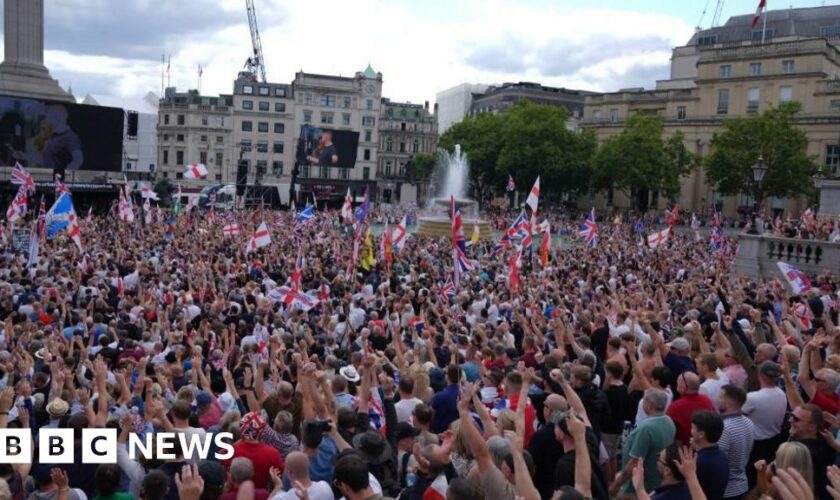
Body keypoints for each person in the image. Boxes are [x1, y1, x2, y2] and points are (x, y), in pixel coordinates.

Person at [611, 388, 676, 496]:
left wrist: (616, 485)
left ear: (649, 405)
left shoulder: (646, 429)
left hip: (640, 487)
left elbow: (634, 463)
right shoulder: (669, 421)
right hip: (658, 482)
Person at [744, 360, 787, 490]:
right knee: (767, 476)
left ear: (760, 375)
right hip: (775, 441)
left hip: (756, 445)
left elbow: (734, 412)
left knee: (754, 479)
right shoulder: (781, 393)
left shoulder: (753, 397)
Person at [788, 403, 834, 500]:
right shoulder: (824, 441)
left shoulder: (799, 452)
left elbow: (769, 474)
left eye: (796, 419)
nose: (790, 420)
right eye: (790, 416)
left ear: (812, 427)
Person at [718, 384, 755, 500]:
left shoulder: (725, 428)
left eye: (720, 398)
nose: (718, 400)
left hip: (727, 490)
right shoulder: (749, 422)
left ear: (729, 402)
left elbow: (720, 461)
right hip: (742, 485)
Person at [666, 372, 714, 446]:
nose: (676, 384)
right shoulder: (706, 400)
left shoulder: (676, 407)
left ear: (683, 386)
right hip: (704, 445)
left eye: (678, 382)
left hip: (685, 450)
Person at [690, 410, 729, 500]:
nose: (691, 431)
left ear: (701, 434)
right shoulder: (721, 455)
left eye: (693, 428)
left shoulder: (698, 462)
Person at [268, 452, 334, 500]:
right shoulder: (325, 487)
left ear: (290, 473)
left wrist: (278, 486)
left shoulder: (282, 498)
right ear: (308, 467)